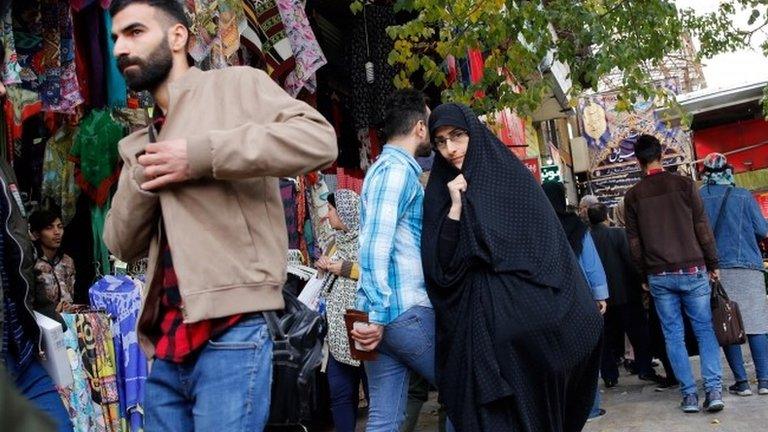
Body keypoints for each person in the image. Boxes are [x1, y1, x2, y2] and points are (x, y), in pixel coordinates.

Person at [103, 1, 337, 430]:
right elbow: (119, 244)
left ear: (178, 37)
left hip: (235, 331)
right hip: (167, 345)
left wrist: (200, 156)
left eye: (135, 32)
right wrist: (144, 173)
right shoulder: (142, 139)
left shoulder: (237, 86)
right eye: (116, 36)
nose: (120, 47)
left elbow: (319, 139)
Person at [421, 103, 603, 431]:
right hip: (477, 337)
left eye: (457, 136)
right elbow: (441, 269)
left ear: (472, 134)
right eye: (441, 141)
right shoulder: (439, 195)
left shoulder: (510, 180)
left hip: (529, 339)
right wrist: (457, 208)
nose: (450, 149)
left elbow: (547, 253)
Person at [350, 88, 436, 432]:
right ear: (419, 128)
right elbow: (374, 245)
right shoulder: (396, 172)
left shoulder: (383, 169)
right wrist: (375, 315)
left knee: (384, 421)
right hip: (404, 312)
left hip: (386, 319)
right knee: (467, 390)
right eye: (430, 124)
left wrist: (373, 317)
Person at [624, 134, 723, 413]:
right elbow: (702, 227)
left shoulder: (632, 196)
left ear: (637, 160)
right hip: (693, 268)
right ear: (662, 155)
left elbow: (635, 243)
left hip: (659, 276)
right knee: (704, 330)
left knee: (673, 336)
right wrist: (713, 263)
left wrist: (644, 275)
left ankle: (689, 395)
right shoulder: (684, 185)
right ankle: (713, 390)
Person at [699, 152, 768, 396]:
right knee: (756, 324)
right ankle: (764, 381)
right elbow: (762, 229)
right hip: (749, 267)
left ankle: (742, 382)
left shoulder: (699, 198)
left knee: (727, 323)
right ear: (729, 170)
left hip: (716, 271)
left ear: (705, 173)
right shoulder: (743, 196)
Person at [542, 182, 608, 422]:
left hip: (550, 301)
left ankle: (561, 408)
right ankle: (590, 408)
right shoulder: (577, 226)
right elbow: (590, 263)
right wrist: (600, 295)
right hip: (580, 299)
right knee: (586, 352)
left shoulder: (538, 226)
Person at [587, 203, 664, 388]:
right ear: (607, 216)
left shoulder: (587, 238)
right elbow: (630, 261)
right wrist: (641, 283)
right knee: (639, 335)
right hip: (626, 294)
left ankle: (609, 375)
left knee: (606, 339)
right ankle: (645, 369)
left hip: (600, 299)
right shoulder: (617, 234)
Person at [316, 190, 368, 432]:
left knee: (375, 393)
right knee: (340, 395)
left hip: (363, 327)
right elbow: (322, 276)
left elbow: (375, 272)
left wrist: (347, 269)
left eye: (331, 210)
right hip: (337, 332)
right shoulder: (334, 242)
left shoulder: (367, 239)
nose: (327, 215)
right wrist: (323, 265)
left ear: (345, 212)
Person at [29, 210, 76, 313]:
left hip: (67, 319)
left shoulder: (67, 261)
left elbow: (71, 294)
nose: (57, 232)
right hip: (43, 322)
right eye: (49, 228)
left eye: (60, 227)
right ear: (36, 234)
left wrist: (68, 307)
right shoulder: (32, 263)